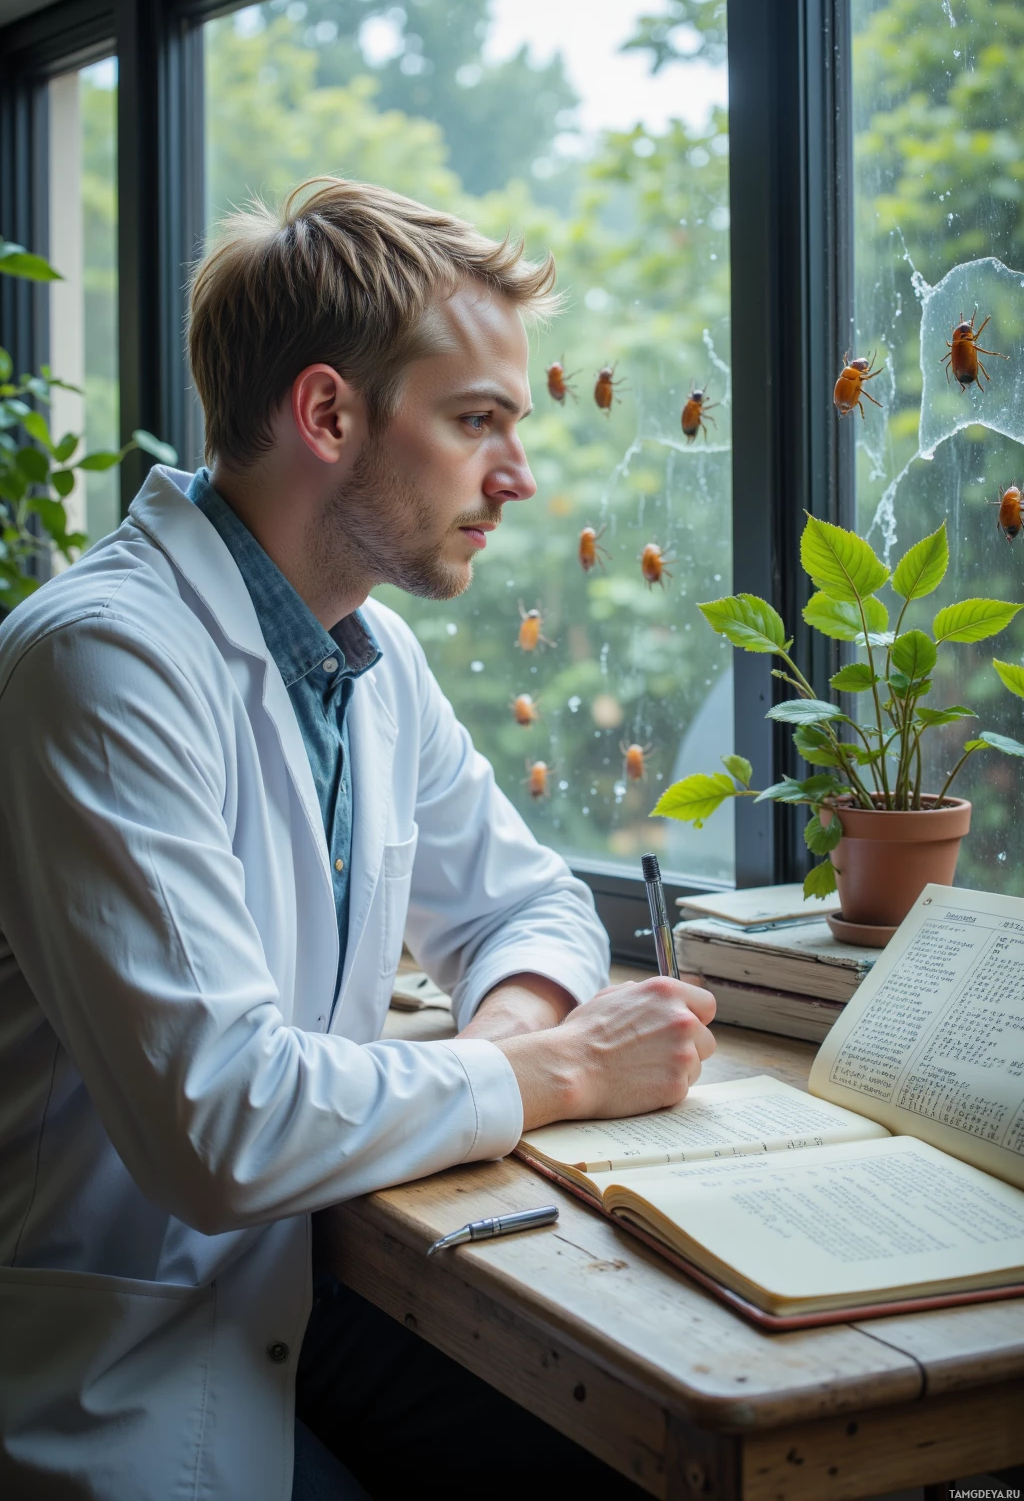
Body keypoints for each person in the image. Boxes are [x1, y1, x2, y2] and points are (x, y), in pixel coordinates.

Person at [0, 178, 716, 1500]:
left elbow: (529, 905)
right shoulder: (100, 664)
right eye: (476, 422)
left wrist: (509, 1041)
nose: (519, 475)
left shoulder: (365, 647)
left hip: (288, 1300)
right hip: (115, 1368)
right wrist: (555, 1076)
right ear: (326, 413)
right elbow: (226, 1127)